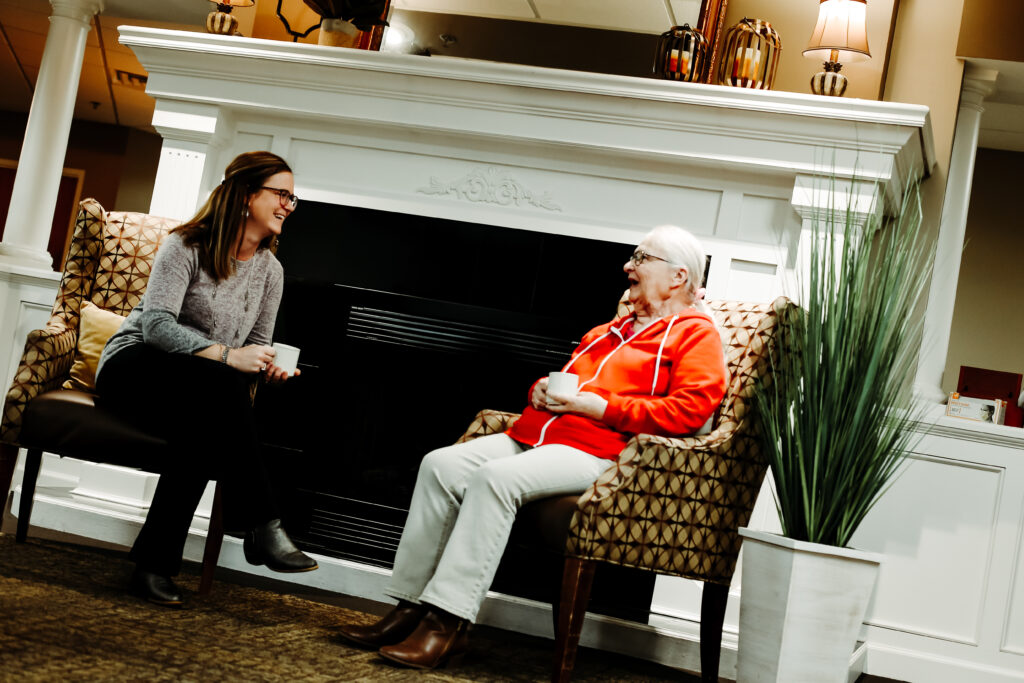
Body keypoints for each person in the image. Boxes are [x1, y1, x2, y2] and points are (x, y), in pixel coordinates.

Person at [336, 225, 728, 669]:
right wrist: (541, 390)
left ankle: (448, 623)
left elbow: (689, 412)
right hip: (537, 435)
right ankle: (410, 607)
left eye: (641, 258)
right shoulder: (607, 331)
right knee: (440, 465)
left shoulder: (695, 335)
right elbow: (567, 379)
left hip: (603, 452)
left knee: (494, 479)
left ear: (677, 277)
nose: (628, 266)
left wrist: (599, 407)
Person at [95, 151, 318, 607]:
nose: (288, 206)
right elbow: (156, 326)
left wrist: (267, 366)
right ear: (245, 195)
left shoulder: (271, 271)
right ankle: (263, 525)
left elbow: (257, 344)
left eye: (293, 199)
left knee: (208, 422)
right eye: (281, 194)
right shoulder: (187, 246)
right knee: (221, 387)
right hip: (136, 367)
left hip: (203, 389)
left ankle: (153, 567)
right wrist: (227, 355)